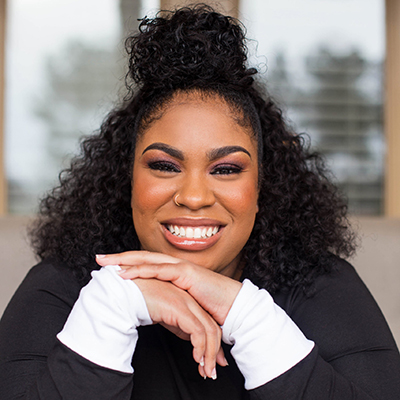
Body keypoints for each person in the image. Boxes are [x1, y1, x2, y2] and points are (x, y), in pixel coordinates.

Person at [1, 4, 399, 399]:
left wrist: (247, 316)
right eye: (164, 166)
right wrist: (111, 308)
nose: (193, 197)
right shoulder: (63, 286)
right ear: (128, 180)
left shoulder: (319, 285)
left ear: (262, 187)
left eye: (225, 169)